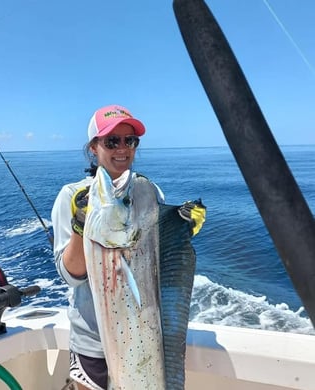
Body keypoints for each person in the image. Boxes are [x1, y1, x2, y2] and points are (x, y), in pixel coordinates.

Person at [51, 104, 205, 390]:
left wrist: (181, 229)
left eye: (130, 140)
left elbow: (157, 263)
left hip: (143, 336)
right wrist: (79, 228)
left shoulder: (149, 191)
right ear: (94, 148)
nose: (122, 148)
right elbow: (70, 275)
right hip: (92, 344)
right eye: (112, 141)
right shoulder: (73, 196)